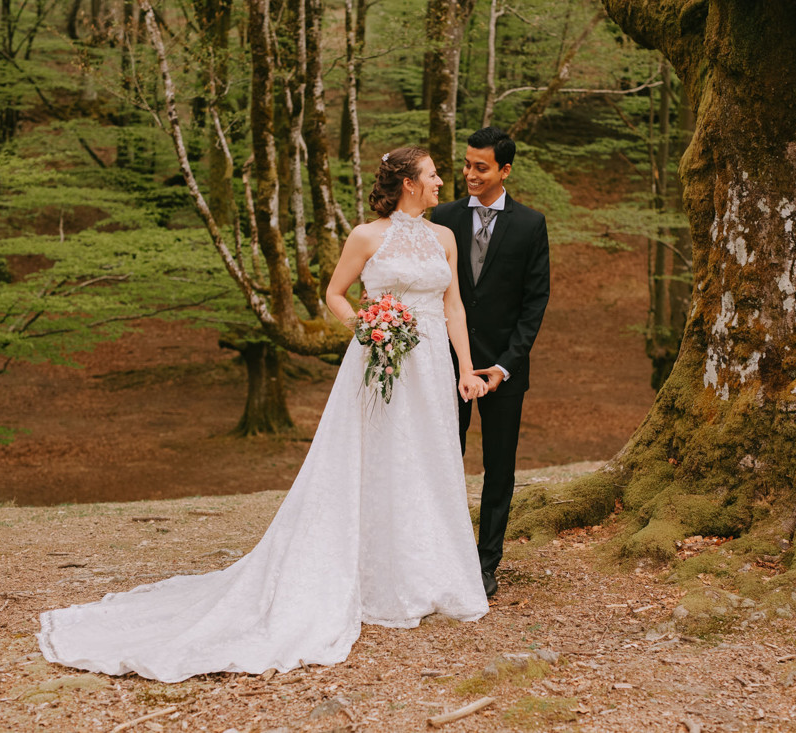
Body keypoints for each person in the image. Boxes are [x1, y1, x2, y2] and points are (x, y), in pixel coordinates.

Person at [37, 147, 490, 683]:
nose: (443, 181)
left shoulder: (445, 238)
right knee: (381, 461)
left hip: (433, 361)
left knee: (429, 462)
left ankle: (430, 576)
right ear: (410, 183)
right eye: (433, 173)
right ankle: (376, 580)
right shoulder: (368, 236)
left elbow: (454, 306)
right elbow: (335, 295)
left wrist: (466, 367)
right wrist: (369, 326)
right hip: (383, 361)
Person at [431, 127, 550, 598]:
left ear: (504, 170)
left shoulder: (529, 224)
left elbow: (535, 301)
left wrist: (504, 366)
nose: (469, 174)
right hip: (446, 365)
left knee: (499, 469)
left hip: (504, 369)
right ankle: (444, 553)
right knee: (444, 460)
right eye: (466, 164)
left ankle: (485, 564)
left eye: (481, 167)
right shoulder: (442, 217)